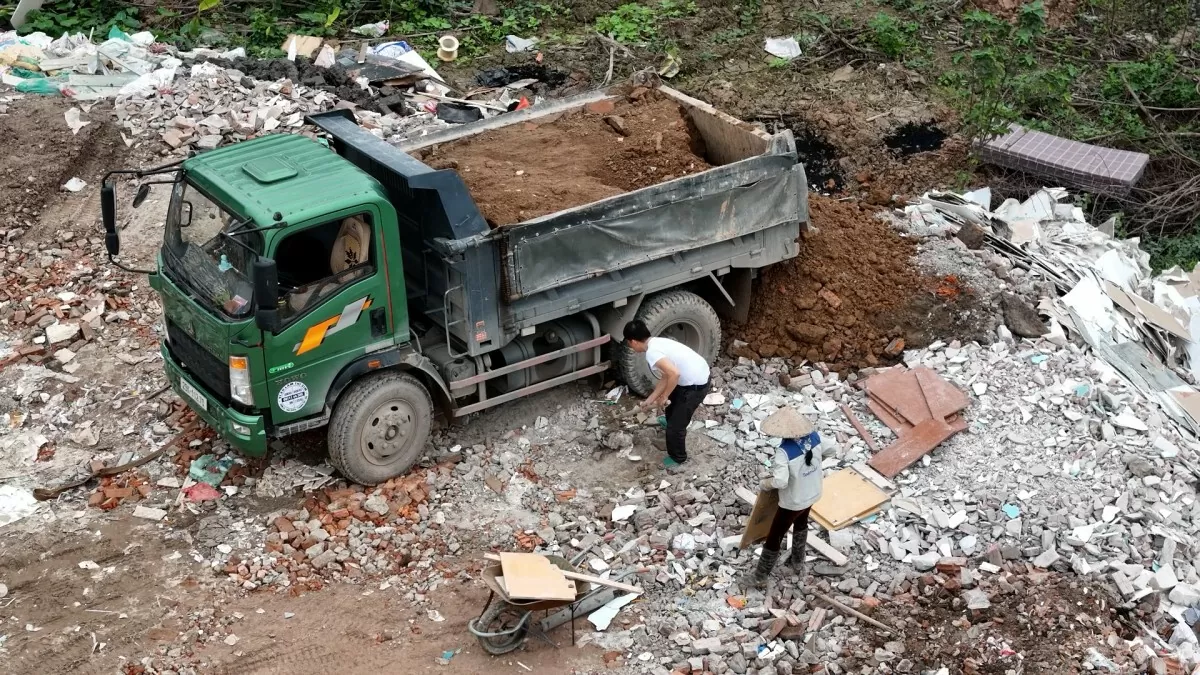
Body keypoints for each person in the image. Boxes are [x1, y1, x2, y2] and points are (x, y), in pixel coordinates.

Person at [747, 407, 824, 586]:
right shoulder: (815, 438)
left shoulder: (784, 452)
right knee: (801, 523)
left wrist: (766, 484)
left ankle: (760, 576)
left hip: (793, 500)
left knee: (775, 535)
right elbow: (831, 451)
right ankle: (798, 561)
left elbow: (781, 481)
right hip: (813, 492)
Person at [622, 319, 711, 470]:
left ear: (634, 342)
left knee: (676, 428)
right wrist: (650, 400)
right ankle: (670, 421)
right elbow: (666, 375)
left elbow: (674, 374)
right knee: (672, 406)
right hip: (690, 378)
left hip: (696, 386)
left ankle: (678, 457)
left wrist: (664, 396)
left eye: (629, 343)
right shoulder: (656, 342)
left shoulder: (652, 353)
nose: (630, 346)